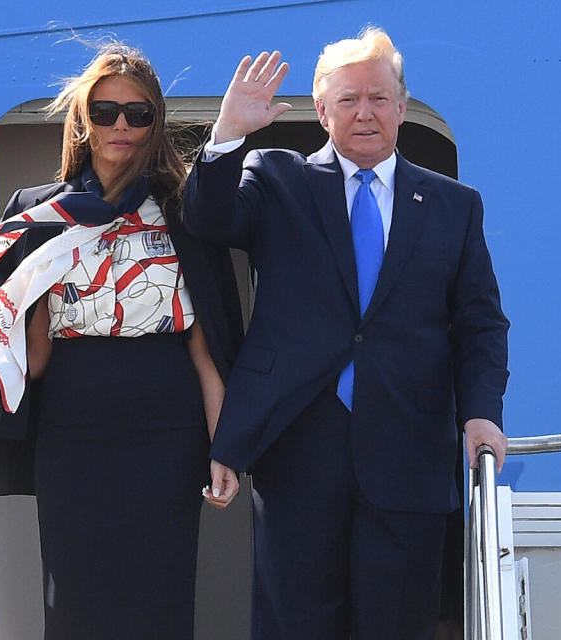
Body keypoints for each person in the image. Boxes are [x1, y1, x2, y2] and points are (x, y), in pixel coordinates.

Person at [182, 28, 510, 639]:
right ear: (323, 109)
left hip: (409, 452)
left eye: (379, 98)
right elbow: (207, 218)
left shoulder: (453, 205)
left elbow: (480, 322)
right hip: (299, 449)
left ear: (403, 108)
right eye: (349, 99)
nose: (365, 112)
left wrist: (482, 413)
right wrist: (226, 135)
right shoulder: (276, 179)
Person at [0, 44, 243, 639]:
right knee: (75, 598)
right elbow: (35, 345)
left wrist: (225, 445)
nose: (121, 126)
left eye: (138, 114)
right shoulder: (39, 213)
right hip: (72, 432)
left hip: (167, 433)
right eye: (105, 112)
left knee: (159, 595)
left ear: (156, 123)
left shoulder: (184, 212)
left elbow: (205, 349)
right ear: (81, 119)